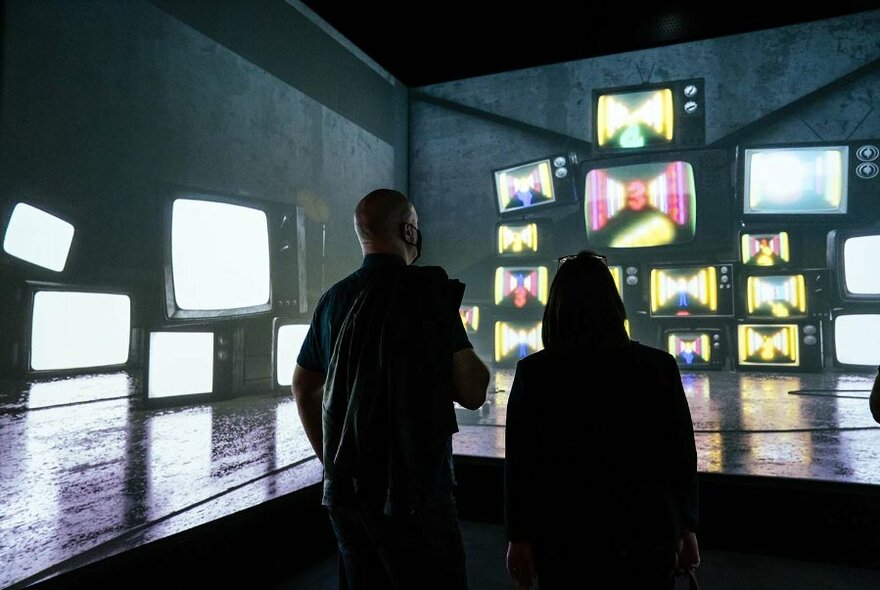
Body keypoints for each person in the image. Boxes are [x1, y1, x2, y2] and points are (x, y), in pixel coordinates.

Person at [292, 188, 490, 590]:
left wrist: (332, 460)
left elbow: (303, 385)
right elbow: (472, 391)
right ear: (409, 231)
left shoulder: (332, 301)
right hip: (418, 495)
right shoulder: (427, 292)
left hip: (346, 495)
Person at [504, 250, 700, 589]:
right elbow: (680, 457)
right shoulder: (658, 367)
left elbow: (521, 466)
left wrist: (519, 538)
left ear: (557, 308)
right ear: (615, 305)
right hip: (647, 537)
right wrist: (687, 527)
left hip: (564, 541)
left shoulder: (535, 373)